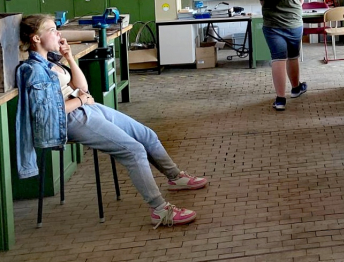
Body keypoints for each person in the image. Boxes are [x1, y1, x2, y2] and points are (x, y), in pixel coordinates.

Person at [15, 14, 208, 228]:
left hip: (85, 107)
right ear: (36, 38)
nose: (58, 33)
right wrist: (81, 100)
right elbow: (51, 113)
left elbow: (83, 87)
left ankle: (175, 177)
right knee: (134, 151)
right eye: (52, 30)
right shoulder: (33, 70)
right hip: (71, 119)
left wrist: (69, 57)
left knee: (146, 135)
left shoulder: (51, 61)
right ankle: (160, 210)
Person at [257, 0, 308, 111]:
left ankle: (280, 99)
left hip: (272, 25)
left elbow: (262, 1)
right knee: (293, 56)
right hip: (294, 23)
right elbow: (301, 0)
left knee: (278, 59)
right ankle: (296, 89)